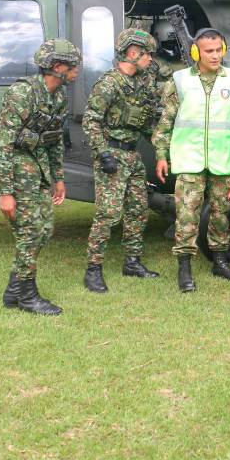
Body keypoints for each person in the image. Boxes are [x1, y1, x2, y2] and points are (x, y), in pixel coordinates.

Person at [152, 28, 230, 291]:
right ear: (195, 52)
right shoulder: (178, 81)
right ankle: (185, 267)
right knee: (186, 214)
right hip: (189, 159)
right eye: (208, 51)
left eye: (218, 50)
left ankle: (220, 261)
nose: (215, 56)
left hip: (224, 159)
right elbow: (165, 121)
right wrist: (161, 155)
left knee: (221, 213)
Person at [0, 39, 82, 315]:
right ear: (57, 66)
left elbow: (54, 140)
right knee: (31, 230)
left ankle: (14, 292)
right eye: (73, 65)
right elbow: (2, 142)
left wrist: (58, 178)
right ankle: (26, 294)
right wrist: (5, 192)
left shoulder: (58, 95)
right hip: (13, 162)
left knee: (44, 228)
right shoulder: (23, 93)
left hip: (35, 163)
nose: (77, 70)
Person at [82, 28, 162, 293]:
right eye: (146, 53)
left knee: (138, 210)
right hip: (112, 155)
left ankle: (132, 261)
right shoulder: (109, 84)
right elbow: (91, 120)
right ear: (132, 53)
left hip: (132, 154)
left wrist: (163, 149)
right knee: (108, 214)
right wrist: (102, 153)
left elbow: (147, 121)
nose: (150, 58)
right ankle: (93, 269)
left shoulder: (141, 83)